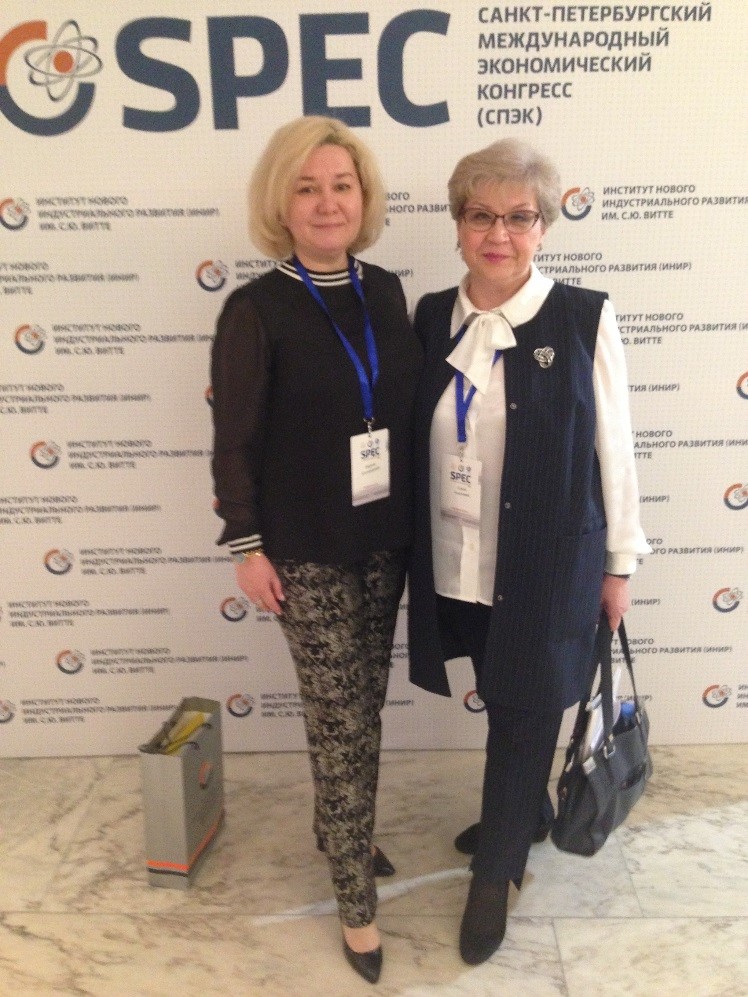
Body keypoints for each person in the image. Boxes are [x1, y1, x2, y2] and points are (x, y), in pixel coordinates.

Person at [407, 138, 650, 965]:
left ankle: (497, 872)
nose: (499, 234)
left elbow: (615, 450)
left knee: (524, 709)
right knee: (502, 689)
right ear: (458, 224)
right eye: (481, 215)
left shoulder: (583, 316)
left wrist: (619, 563)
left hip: (546, 564)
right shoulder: (431, 315)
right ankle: (528, 811)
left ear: (544, 226)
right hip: (456, 559)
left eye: (519, 217)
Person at [210, 116, 422, 985]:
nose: (327, 202)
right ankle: (355, 904)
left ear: (363, 198)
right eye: (307, 187)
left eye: (341, 185)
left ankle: (341, 832)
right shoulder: (255, 309)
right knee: (338, 720)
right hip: (302, 548)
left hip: (384, 538)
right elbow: (233, 440)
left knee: (361, 706)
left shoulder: (387, 292)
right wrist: (247, 545)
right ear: (282, 203)